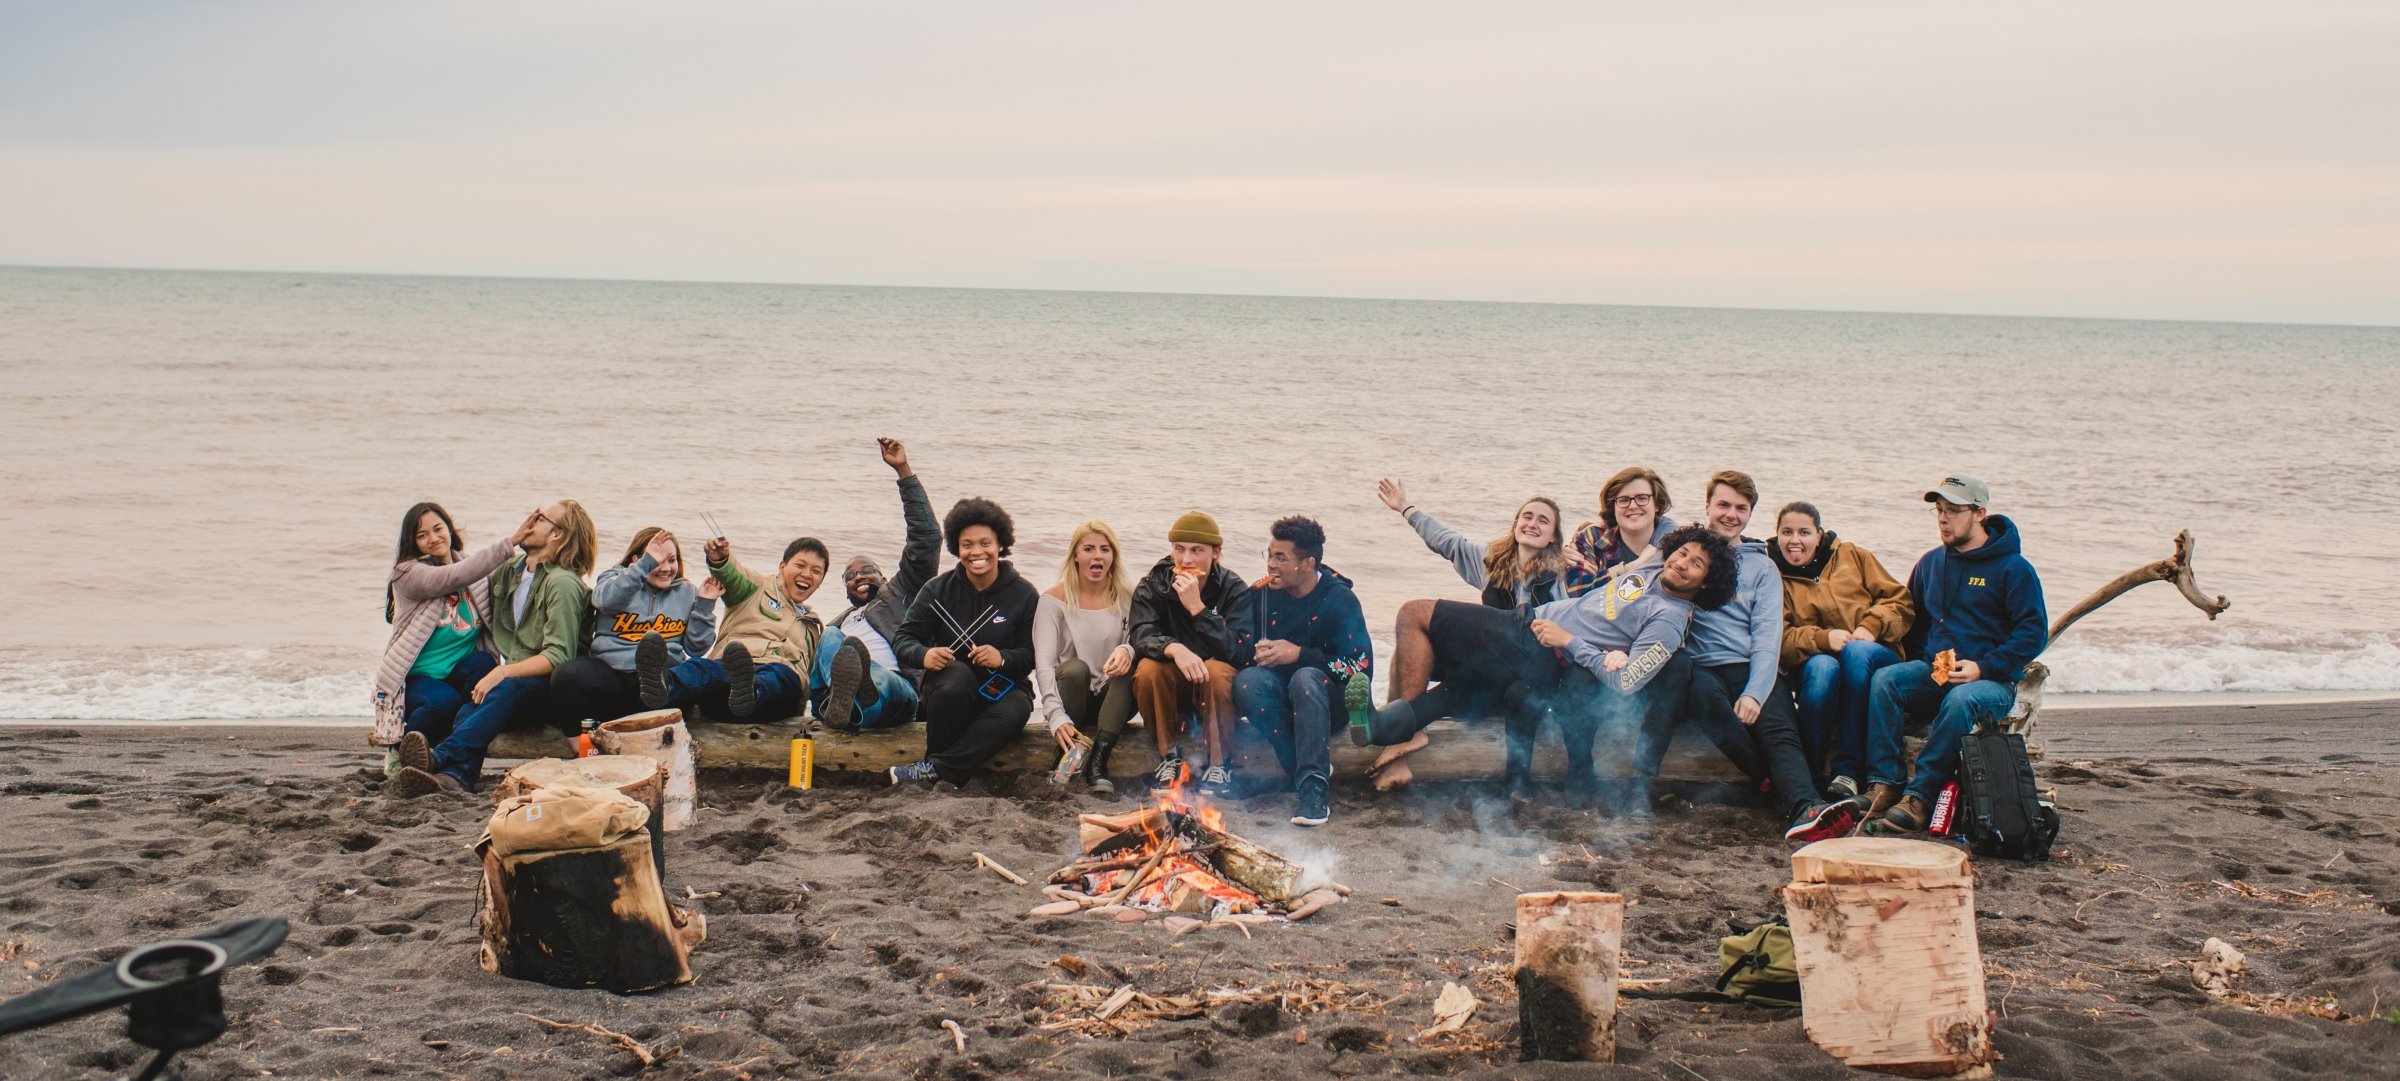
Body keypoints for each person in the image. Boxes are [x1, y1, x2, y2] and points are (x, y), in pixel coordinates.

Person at [1354, 525, 1737, 804]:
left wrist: (1569, 641)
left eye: (1697, 564)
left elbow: (1628, 682)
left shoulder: (1670, 620)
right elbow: (1650, 531)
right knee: (1459, 688)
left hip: (1537, 643)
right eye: (1683, 552)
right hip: (1532, 625)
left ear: (1706, 583)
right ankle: (1381, 727)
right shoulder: (1653, 572)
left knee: (1414, 613)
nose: (1683, 562)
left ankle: (1396, 735)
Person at [1634, 473, 1865, 841]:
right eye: (1723, 505)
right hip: (1698, 666)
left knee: (1777, 727)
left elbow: (1767, 635)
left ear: (1750, 514)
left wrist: (1756, 692)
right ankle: (1773, 786)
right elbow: (1637, 579)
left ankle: (1806, 807)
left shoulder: (1762, 566)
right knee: (1709, 702)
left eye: (1741, 509)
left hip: (1748, 664)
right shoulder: (1683, 552)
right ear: (1707, 505)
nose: (1731, 515)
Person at [1862, 475, 2048, 835]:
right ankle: (1883, 783)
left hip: (1990, 681)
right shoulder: (1931, 563)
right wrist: (1922, 659)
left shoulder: (2014, 569)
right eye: (1939, 510)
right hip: (1939, 671)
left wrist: (1984, 667)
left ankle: (1920, 797)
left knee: (1961, 700)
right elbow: (1916, 624)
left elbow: (2032, 633)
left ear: (1980, 513)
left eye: (1953, 511)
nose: (1943, 519)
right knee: (1886, 680)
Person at [1372, 478, 1568, 787]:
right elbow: (1448, 542)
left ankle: (1399, 733)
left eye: (1543, 520)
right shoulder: (1492, 563)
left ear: (1555, 536)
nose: (1532, 523)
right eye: (1527, 516)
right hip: (1488, 677)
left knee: (1413, 613)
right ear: (1515, 524)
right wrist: (1406, 508)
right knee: (1410, 646)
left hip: (1532, 682)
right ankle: (1396, 739)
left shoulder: (1562, 574)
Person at [394, 500, 596, 795]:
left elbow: (558, 657)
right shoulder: (511, 571)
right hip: (515, 684)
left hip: (550, 691)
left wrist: (502, 673)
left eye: (540, 518)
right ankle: (456, 779)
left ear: (557, 535)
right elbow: (460, 574)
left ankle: (440, 756)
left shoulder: (562, 583)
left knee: (503, 687)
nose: (530, 520)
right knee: (469, 708)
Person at [1229, 516, 1373, 827]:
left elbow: (1360, 665)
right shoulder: (1262, 594)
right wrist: (1252, 654)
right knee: (1247, 682)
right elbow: (1238, 647)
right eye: (1269, 554)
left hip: (1330, 700)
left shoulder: (1339, 599)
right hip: (1284, 703)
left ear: (1308, 563)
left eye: (1281, 557)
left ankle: (1313, 791)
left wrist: (1299, 655)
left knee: (1304, 676)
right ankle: (1301, 765)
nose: (1271, 564)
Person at [374, 503, 536, 774]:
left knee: (485, 666)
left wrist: (536, 550)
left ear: (449, 529)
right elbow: (453, 576)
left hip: (458, 672)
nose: (433, 538)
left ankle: (450, 761)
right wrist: (513, 541)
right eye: (422, 535)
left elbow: (505, 577)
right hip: (417, 678)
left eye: (438, 529)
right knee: (444, 702)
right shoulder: (409, 574)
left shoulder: (472, 569)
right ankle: (402, 748)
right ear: (412, 543)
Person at [889, 498, 1040, 787]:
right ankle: (941, 764)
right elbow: (903, 639)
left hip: (1003, 686)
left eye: (985, 543)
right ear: (957, 549)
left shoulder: (1024, 594)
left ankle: (934, 769)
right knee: (955, 677)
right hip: (951, 688)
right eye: (967, 545)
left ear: (1000, 545)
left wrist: (1003, 658)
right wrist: (924, 655)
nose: (976, 552)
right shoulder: (937, 590)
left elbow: (1032, 655)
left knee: (1018, 708)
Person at [1771, 502, 1913, 796]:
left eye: (1804, 532)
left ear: (1820, 535)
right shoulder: (1774, 575)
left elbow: (1900, 602)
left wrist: (1871, 625)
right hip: (1816, 663)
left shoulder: (1852, 555)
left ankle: (1848, 770)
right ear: (1777, 535)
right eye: (1786, 532)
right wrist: (1823, 639)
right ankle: (1806, 775)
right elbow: (1778, 638)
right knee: (1824, 668)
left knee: (1856, 653)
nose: (1794, 540)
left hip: (1873, 655)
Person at [1126, 511, 1251, 795]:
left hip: (1217, 693)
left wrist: (1199, 610)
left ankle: (1219, 764)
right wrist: (1173, 647)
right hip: (1173, 693)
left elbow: (1241, 651)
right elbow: (1141, 632)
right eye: (1179, 549)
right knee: (1148, 669)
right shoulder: (1154, 584)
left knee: (1217, 672)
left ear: (1216, 553)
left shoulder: (1234, 589)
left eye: (1197, 551)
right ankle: (1169, 758)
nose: (1186, 560)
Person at [821, 438, 939, 729]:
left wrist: (903, 472)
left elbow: (927, 540)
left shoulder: (902, 593)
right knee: (831, 638)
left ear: (885, 579)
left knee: (873, 673)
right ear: (846, 591)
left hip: (896, 688)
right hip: (838, 691)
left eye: (868, 570)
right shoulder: (839, 623)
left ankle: (859, 691)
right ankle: (842, 700)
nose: (858, 576)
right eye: (849, 576)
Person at [548, 528, 722, 724]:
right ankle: (579, 745)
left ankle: (663, 689)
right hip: (613, 676)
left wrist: (705, 605)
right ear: (636, 560)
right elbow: (606, 602)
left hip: (662, 680)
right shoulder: (613, 578)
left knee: (709, 668)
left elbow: (696, 648)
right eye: (657, 561)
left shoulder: (686, 592)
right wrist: (644, 567)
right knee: (565, 676)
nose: (666, 568)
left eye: (671, 560)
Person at [1033, 521, 1137, 794]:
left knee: (1130, 663)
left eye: (1105, 549)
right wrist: (1055, 715)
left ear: (1113, 557)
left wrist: (1128, 649)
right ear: (1075, 556)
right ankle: (1066, 751)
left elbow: (1142, 639)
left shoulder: (1127, 597)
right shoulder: (1052, 600)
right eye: (1088, 549)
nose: (1097, 556)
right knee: (1075, 669)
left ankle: (1098, 762)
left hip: (1114, 698)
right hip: (1072, 697)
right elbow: (1043, 664)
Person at [689, 531, 828, 723]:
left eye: (816, 571)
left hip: (775, 696)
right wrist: (720, 559)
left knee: (781, 677)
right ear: (782, 567)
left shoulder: (813, 628)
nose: (806, 574)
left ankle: (750, 692)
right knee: (699, 669)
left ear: (821, 582)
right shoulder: (757, 586)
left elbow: (814, 678)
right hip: (727, 673)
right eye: (800, 565)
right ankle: (663, 687)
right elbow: (734, 576)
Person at [1565, 466, 1679, 597]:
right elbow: (1577, 593)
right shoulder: (1592, 537)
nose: (1633, 506)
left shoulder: (1677, 545)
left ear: (1657, 504)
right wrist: (1632, 567)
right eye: (1623, 500)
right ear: (1613, 507)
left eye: (1642, 498)